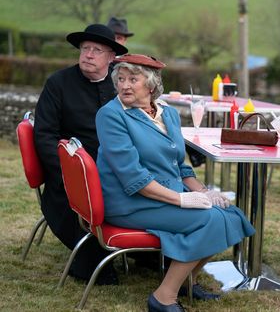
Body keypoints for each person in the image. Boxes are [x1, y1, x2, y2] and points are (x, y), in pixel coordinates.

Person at [95, 54, 255, 312]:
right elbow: (133, 177)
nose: (124, 85)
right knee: (210, 221)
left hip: (165, 194)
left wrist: (203, 192)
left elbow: (180, 165)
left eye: (132, 79)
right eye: (120, 79)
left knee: (230, 214)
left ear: (150, 85)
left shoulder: (167, 113)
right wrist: (181, 199)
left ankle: (185, 281)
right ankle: (163, 297)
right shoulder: (111, 115)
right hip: (130, 201)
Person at [34, 24, 128, 285]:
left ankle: (154, 256)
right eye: (85, 48)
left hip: (117, 173)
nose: (88, 54)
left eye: (97, 50)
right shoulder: (58, 83)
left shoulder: (121, 87)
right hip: (70, 180)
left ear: (111, 58)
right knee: (95, 269)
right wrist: (72, 172)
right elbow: (44, 136)